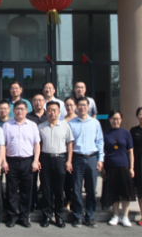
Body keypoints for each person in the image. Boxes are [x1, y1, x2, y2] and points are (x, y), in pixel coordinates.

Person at [2, 101, 40, 228]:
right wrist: (4, 161)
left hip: (27, 161)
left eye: (22, 109)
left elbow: (36, 144)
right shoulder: (7, 125)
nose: (20, 111)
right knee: (11, 191)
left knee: (26, 191)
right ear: (13, 111)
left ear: (26, 111)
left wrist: (35, 161)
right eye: (17, 109)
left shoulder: (32, 125)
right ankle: (12, 217)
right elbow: (3, 145)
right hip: (11, 161)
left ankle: (24, 217)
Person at [69, 97, 104, 228]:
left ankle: (90, 217)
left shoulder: (95, 123)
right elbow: (69, 144)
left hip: (92, 158)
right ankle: (78, 216)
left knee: (91, 189)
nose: (82, 107)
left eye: (84, 105)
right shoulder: (71, 123)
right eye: (80, 105)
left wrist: (100, 159)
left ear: (88, 107)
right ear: (76, 107)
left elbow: (100, 141)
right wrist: (69, 160)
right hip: (77, 158)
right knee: (76, 189)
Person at [38, 101, 74, 228]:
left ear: (59, 112)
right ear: (46, 112)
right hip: (45, 158)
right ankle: (47, 216)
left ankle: (59, 217)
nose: (52, 112)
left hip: (60, 159)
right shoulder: (41, 127)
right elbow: (38, 144)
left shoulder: (65, 126)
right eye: (49, 110)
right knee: (46, 190)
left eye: (54, 110)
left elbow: (69, 144)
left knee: (59, 190)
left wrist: (69, 161)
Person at [102, 109, 136, 228]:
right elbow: (104, 152)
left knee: (125, 193)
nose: (115, 121)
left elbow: (130, 152)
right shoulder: (106, 134)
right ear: (109, 120)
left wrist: (131, 168)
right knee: (113, 192)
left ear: (121, 120)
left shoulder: (126, 133)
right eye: (113, 118)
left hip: (124, 166)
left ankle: (125, 216)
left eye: (117, 119)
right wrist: (103, 168)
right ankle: (115, 215)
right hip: (110, 166)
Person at [26, 93, 47, 210]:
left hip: (46, 153)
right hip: (31, 153)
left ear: (44, 102)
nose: (38, 102)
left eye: (40, 100)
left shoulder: (49, 116)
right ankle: (32, 203)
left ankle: (45, 204)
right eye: (35, 100)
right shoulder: (28, 117)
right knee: (32, 181)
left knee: (46, 181)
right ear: (32, 103)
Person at [63, 96, 78, 210]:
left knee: (75, 180)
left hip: (76, 153)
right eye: (67, 105)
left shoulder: (78, 119)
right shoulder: (62, 120)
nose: (69, 107)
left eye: (71, 105)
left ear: (75, 106)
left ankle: (74, 202)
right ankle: (67, 200)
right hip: (64, 152)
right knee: (66, 179)